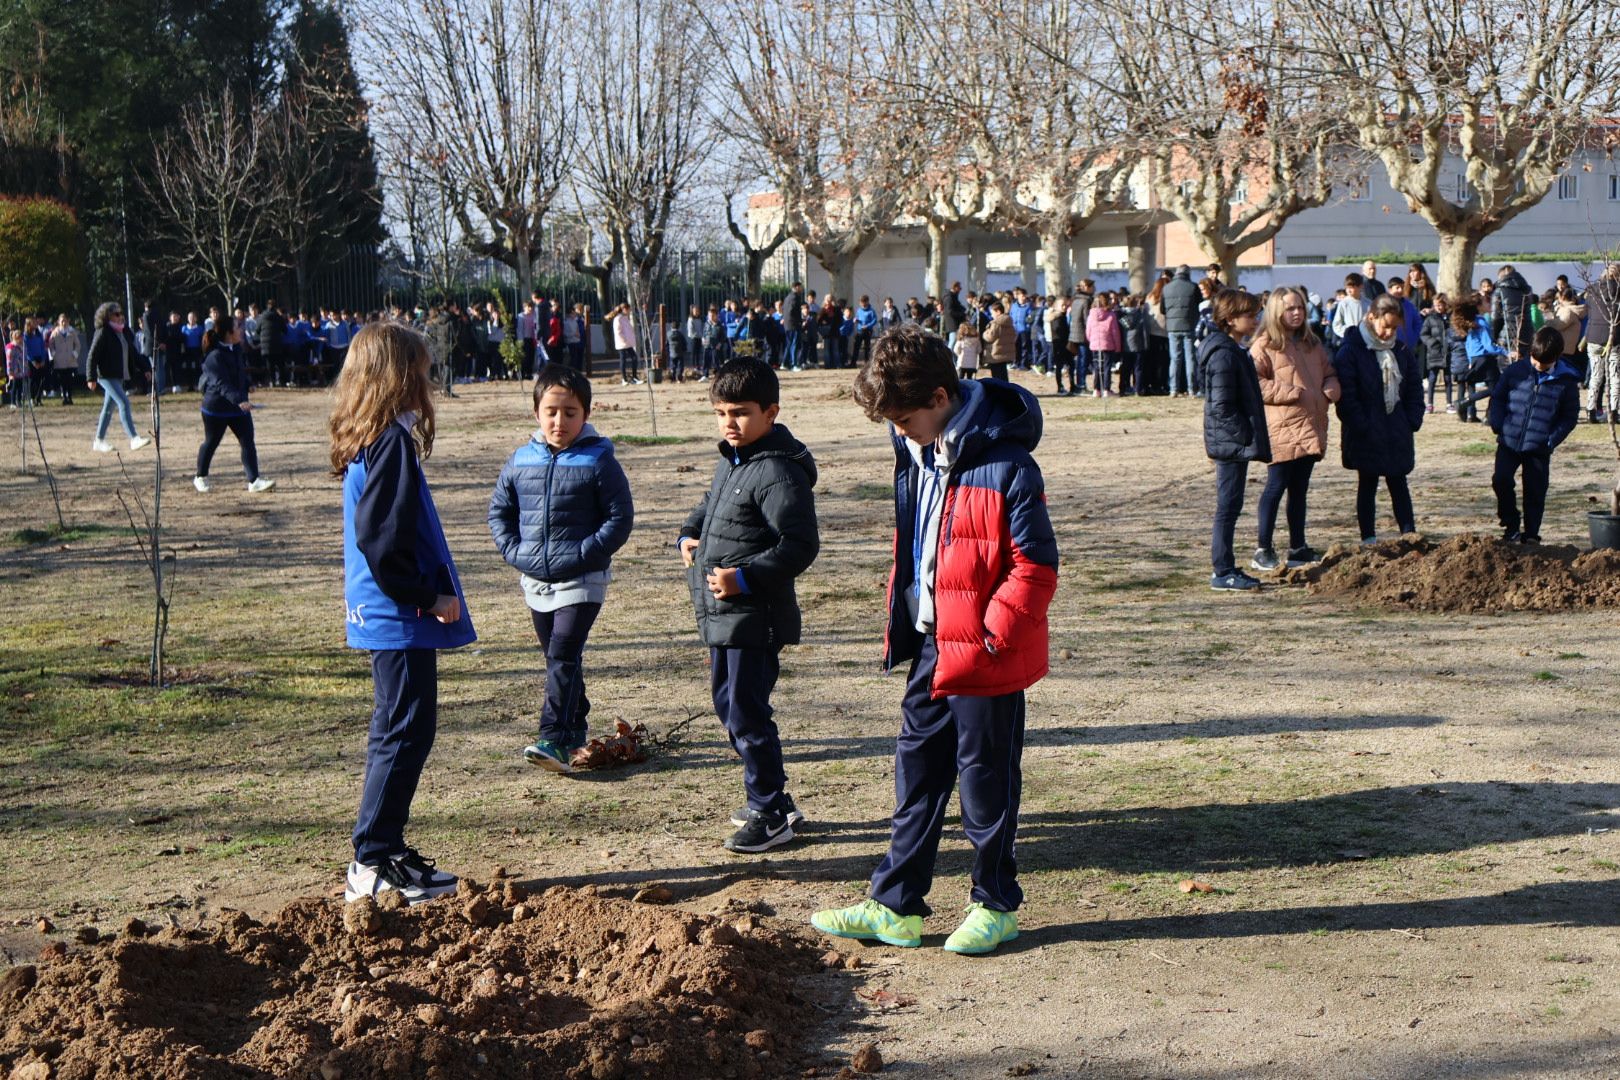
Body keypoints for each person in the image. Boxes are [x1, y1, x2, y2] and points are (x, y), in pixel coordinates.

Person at [813, 325, 1058, 956]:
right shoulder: (917, 449)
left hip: (985, 651)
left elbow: (1035, 567)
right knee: (916, 770)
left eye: (904, 418)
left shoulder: (1009, 465)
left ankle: (995, 904)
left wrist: (993, 638)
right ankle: (895, 905)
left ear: (942, 397)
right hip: (930, 640)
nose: (898, 431)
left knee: (986, 778)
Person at [329, 321, 474, 904]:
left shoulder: (377, 436)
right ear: (397, 375)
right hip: (398, 614)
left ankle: (382, 847)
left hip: (389, 613)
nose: (428, 379)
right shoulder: (388, 441)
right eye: (421, 368)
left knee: (403, 728)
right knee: (404, 730)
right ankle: (373, 858)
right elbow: (381, 540)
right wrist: (426, 596)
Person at [678, 359, 819, 853]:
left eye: (739, 412)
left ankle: (769, 810)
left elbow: (800, 544)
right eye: (720, 413)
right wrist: (690, 531)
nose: (728, 423)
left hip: (753, 618)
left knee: (746, 712)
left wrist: (744, 578)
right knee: (729, 705)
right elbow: (712, 503)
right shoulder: (734, 459)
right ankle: (775, 797)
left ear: (771, 412)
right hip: (724, 618)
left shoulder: (778, 471)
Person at [489, 364, 634, 771]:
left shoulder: (599, 460)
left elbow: (619, 518)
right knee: (559, 659)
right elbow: (500, 512)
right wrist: (516, 552)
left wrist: (587, 552)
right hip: (535, 578)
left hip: (583, 579)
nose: (560, 421)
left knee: (563, 653)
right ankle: (575, 729)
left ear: (585, 414)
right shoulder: (520, 460)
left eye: (570, 412)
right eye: (552, 411)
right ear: (537, 411)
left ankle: (551, 738)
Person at [1248, 287, 1337, 572]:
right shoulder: (1264, 345)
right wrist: (1291, 392)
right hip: (1282, 427)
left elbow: (1330, 372)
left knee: (1299, 489)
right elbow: (1255, 384)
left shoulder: (1312, 343)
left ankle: (1298, 547)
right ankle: (1263, 549)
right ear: (1276, 311)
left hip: (1311, 425)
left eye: (1300, 307)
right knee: (1275, 487)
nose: (1297, 312)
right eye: (1290, 308)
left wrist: (1330, 390)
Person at [1335, 294, 1425, 544]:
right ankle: (1368, 538)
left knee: (1399, 483)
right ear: (1371, 317)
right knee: (1367, 484)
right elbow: (1347, 397)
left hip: (1396, 430)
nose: (1389, 333)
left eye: (1395, 328)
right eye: (1386, 326)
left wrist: (1411, 420)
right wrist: (1362, 425)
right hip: (1365, 432)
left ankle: (1409, 534)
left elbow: (1415, 388)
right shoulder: (1351, 351)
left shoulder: (1402, 351)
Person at [1200, 289, 1270, 590]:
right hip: (1230, 444)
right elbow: (1222, 406)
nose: (1255, 319)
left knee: (1232, 505)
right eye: (1249, 315)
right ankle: (1222, 570)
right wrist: (1244, 437)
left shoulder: (1232, 350)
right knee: (1227, 507)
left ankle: (1226, 567)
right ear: (1230, 319)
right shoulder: (1224, 355)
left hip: (1232, 442)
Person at [1489, 326, 1581, 545]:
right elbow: (1499, 397)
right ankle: (1511, 524)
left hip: (1539, 446)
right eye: (1535, 360)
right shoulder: (1516, 371)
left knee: (1535, 491)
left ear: (1557, 358)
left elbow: (1569, 417)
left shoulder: (1566, 382)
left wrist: (1551, 439)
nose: (1538, 366)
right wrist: (1498, 423)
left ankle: (1531, 534)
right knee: (1501, 480)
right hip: (1509, 440)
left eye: (1544, 364)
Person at [194, 315, 275, 494]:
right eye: (237, 327)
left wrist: (248, 385)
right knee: (211, 442)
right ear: (229, 333)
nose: (241, 330)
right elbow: (221, 384)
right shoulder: (213, 357)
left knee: (247, 442)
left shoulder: (236, 348)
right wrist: (240, 400)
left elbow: (239, 373)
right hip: (216, 409)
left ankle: (254, 480)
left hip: (238, 407)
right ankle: (200, 476)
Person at [85, 302, 153, 452]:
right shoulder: (102, 332)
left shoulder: (124, 332)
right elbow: (92, 355)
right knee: (123, 402)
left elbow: (133, 353)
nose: (120, 316)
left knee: (108, 408)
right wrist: (91, 377)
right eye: (116, 314)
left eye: (120, 313)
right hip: (105, 376)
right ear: (107, 316)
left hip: (118, 375)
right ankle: (134, 438)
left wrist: (145, 368)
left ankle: (99, 440)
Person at [1451, 293, 1507, 424]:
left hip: (1476, 359)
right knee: (1496, 388)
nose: (1488, 303)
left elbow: (1469, 345)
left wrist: (1471, 361)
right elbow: (1489, 346)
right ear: (1479, 306)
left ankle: (1486, 416)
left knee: (1492, 387)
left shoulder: (1473, 322)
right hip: (1486, 359)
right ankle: (1466, 404)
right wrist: (1506, 352)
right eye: (1485, 302)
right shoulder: (1481, 321)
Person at [1585, 263, 1620, 423]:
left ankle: (1590, 410)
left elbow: (1590, 312)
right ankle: (1614, 412)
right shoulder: (1619, 290)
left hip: (1593, 338)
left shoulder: (1592, 289)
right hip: (1614, 339)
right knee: (1615, 376)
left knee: (1596, 376)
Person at [1163, 266, 1200, 397]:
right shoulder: (1193, 287)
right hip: (1189, 325)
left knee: (1174, 358)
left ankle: (1173, 389)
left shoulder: (1166, 288)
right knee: (1190, 358)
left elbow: (1163, 309)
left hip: (1172, 327)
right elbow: (1199, 304)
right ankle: (1191, 389)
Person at [1418, 293, 1453, 413]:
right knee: (1432, 379)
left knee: (1448, 379)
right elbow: (1423, 334)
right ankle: (1430, 404)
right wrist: (1432, 342)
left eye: (1441, 304)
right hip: (1434, 353)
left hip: (1447, 353)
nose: (1438, 307)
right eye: (1436, 304)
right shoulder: (1430, 319)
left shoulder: (1449, 318)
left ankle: (1449, 404)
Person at [1491, 264, 1535, 356]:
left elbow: (1496, 318)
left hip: (1507, 335)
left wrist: (1494, 337)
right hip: (1526, 333)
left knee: (1507, 367)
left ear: (1501, 277)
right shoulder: (1527, 289)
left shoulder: (1499, 291)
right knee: (1525, 365)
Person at [1085, 291, 1122, 397]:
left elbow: (1088, 330)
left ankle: (1096, 389)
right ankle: (1106, 389)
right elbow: (1115, 332)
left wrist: (1090, 340)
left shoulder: (1091, 314)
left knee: (1097, 367)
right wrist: (1117, 346)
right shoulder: (1111, 315)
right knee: (1106, 368)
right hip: (1108, 344)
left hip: (1095, 345)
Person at [47, 313, 81, 406]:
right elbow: (50, 344)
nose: (63, 323)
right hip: (59, 360)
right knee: (62, 380)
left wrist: (75, 354)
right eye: (62, 321)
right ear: (59, 322)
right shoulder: (55, 332)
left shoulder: (72, 331)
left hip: (70, 360)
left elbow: (77, 344)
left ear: (68, 321)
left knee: (69, 379)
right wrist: (54, 354)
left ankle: (70, 397)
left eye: (65, 321)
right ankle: (64, 397)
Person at [980, 301, 1015, 381]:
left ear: (998, 312)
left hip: (996, 354)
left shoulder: (996, 323)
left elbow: (990, 337)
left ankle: (999, 391)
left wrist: (984, 333)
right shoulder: (1009, 322)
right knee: (1003, 374)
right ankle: (1006, 389)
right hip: (1004, 353)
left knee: (996, 375)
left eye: (992, 313)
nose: (992, 315)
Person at [1047, 296, 1075, 395]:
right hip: (1059, 345)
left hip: (1066, 345)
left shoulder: (1064, 316)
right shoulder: (1056, 317)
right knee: (1059, 367)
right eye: (1062, 305)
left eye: (1065, 305)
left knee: (1071, 365)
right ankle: (1060, 387)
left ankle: (1073, 385)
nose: (1064, 307)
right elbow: (1058, 332)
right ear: (1056, 306)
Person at [1330, 273, 1367, 343]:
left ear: (1360, 287)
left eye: (1351, 287)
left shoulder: (1368, 304)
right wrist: (1347, 333)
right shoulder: (1343, 303)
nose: (1348, 290)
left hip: (1365, 341)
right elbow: (1336, 324)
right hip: (1349, 341)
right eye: (1347, 288)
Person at [611, 304, 640, 384]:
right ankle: (624, 379)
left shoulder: (625, 318)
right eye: (628, 309)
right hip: (622, 343)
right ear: (624, 309)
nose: (629, 311)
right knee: (623, 360)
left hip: (627, 343)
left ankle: (634, 377)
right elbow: (618, 332)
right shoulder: (618, 319)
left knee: (634, 358)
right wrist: (624, 339)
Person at [952, 311, 982, 378]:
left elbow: (955, 349)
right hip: (972, 364)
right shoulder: (977, 340)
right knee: (970, 378)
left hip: (962, 363)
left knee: (960, 378)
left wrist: (959, 354)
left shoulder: (961, 340)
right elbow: (979, 350)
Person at [4, 331, 26, 408]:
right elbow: (9, 361)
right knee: (14, 387)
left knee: (20, 387)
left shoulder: (21, 346)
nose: (22, 339)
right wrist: (10, 372)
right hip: (13, 371)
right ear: (16, 338)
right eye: (20, 338)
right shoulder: (11, 348)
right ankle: (12, 402)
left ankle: (18, 401)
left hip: (20, 371)